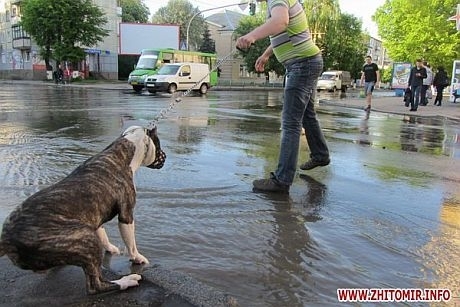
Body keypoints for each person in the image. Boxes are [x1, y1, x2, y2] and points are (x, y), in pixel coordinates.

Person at [236, 0, 329, 194]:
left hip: (302, 64)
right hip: (306, 62)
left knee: (290, 123)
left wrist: (252, 35)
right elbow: (284, 30)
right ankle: (320, 154)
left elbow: (281, 22)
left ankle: (282, 180)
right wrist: (266, 54)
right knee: (306, 115)